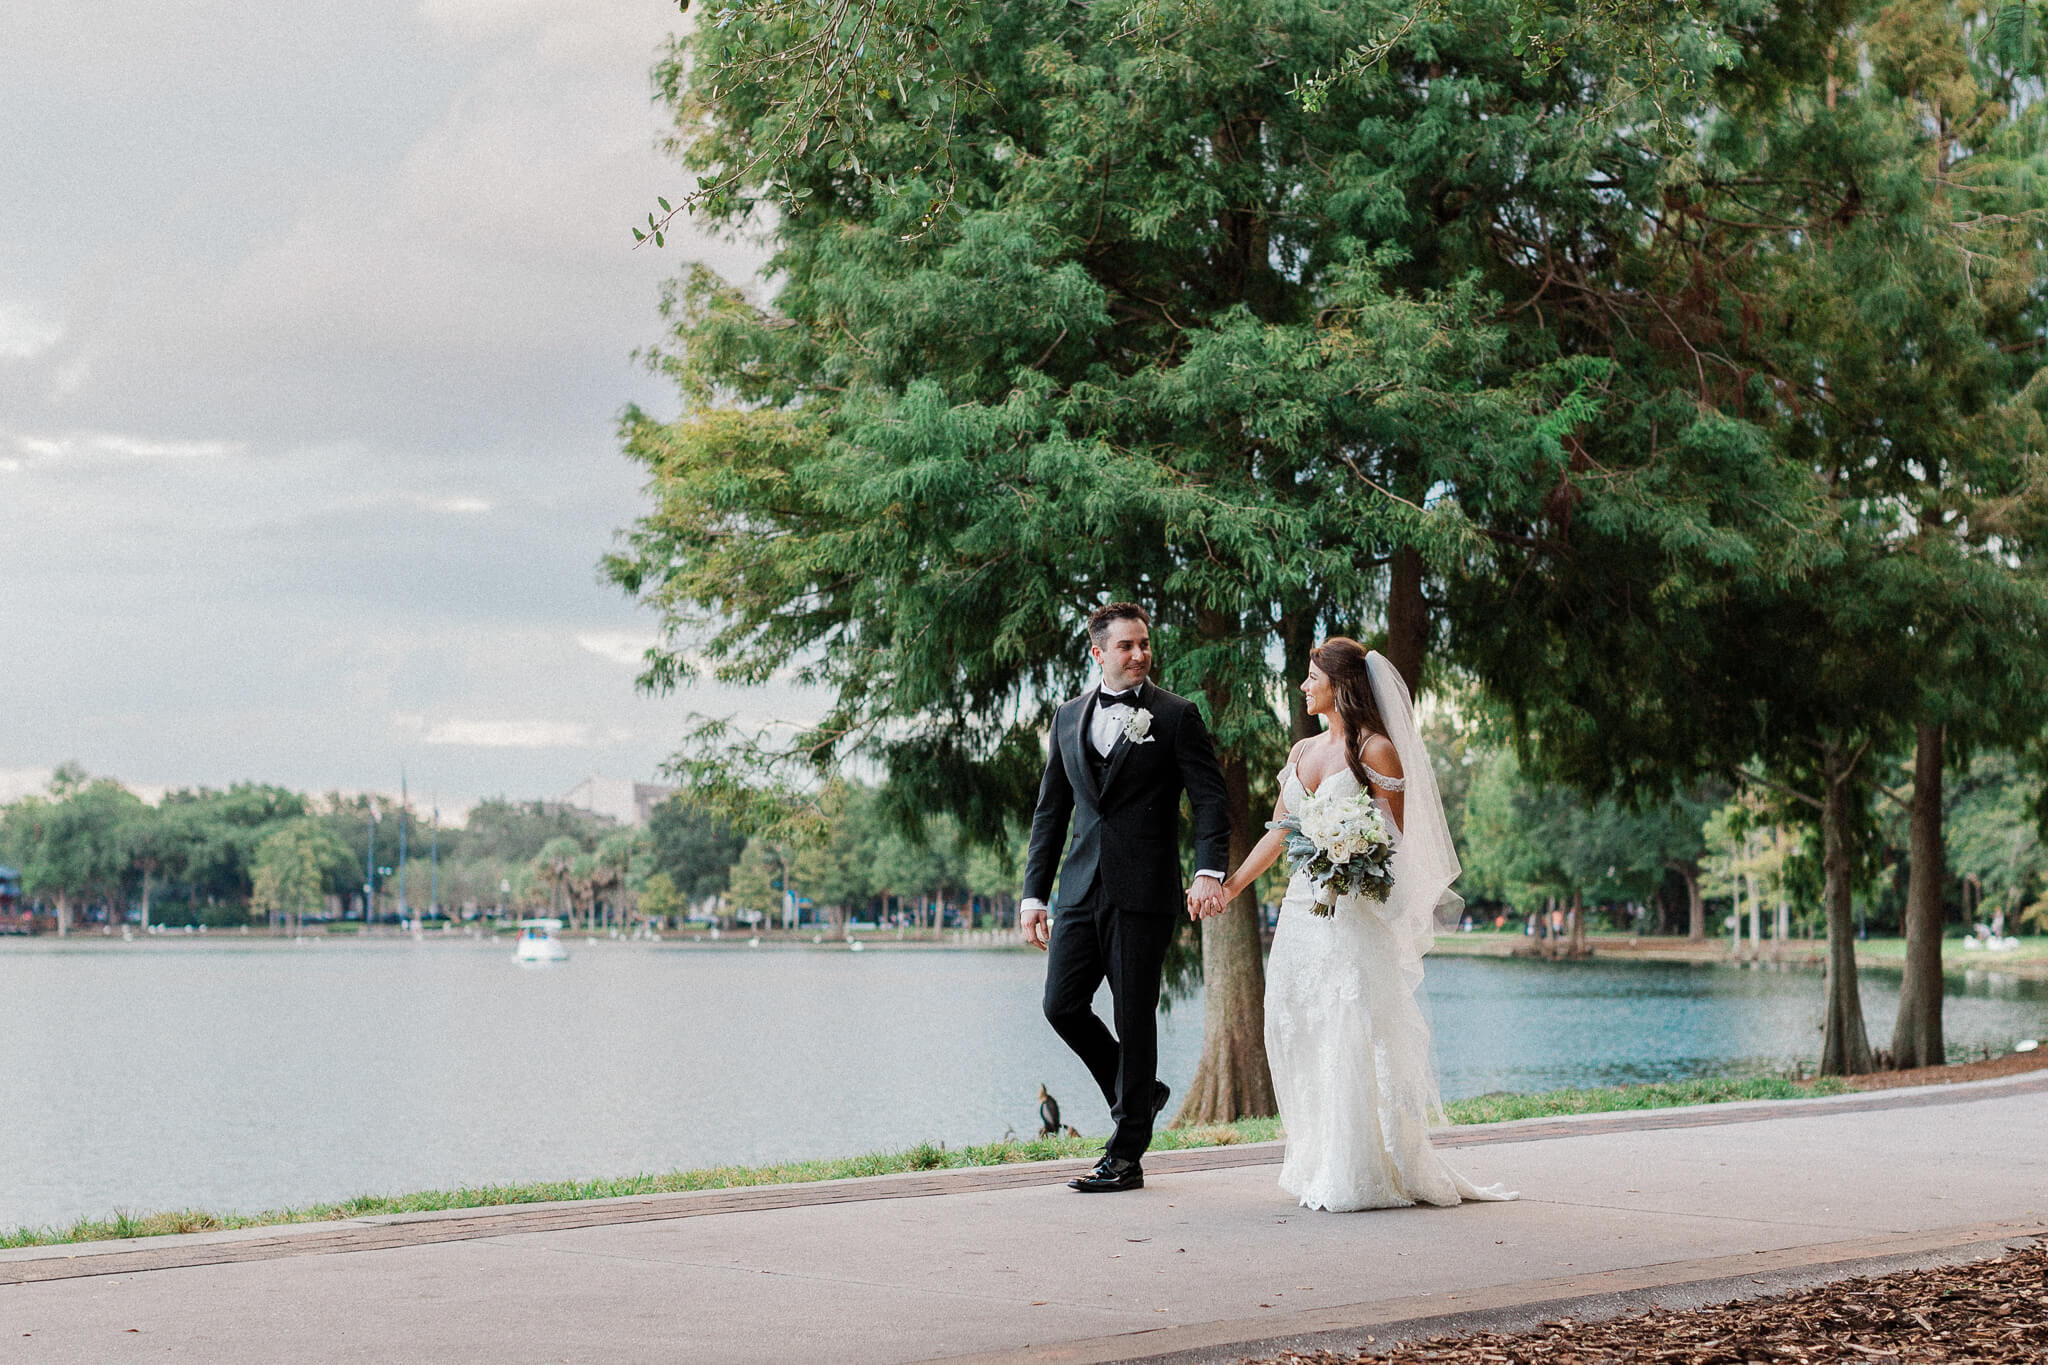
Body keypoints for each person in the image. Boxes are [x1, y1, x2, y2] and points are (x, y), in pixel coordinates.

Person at [1202, 638, 1514, 1212]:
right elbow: (1279, 833)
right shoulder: (1301, 751)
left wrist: (1351, 854)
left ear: (1340, 684)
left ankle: (1363, 1167)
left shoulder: (1377, 750)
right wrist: (1231, 887)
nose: (1302, 685)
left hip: (1352, 912)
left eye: (1311, 676)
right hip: (1302, 911)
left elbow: (1396, 843)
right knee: (1299, 1023)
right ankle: (1318, 1156)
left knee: (1350, 1025)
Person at [1021, 602, 1232, 1193]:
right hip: (1080, 892)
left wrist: (1208, 870)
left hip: (1144, 894)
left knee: (1134, 1017)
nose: (1139, 654)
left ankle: (1126, 1152)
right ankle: (1140, 1089)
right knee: (1061, 1005)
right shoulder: (1066, 718)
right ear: (1098, 653)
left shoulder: (1176, 715)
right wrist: (1033, 896)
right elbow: (1050, 813)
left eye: (1144, 644)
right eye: (1126, 646)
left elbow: (1212, 802)